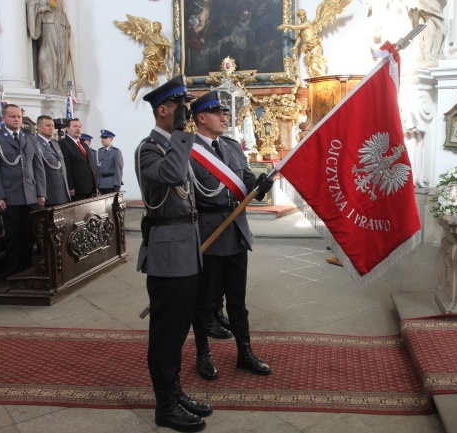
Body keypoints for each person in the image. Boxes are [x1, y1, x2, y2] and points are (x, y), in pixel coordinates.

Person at [136, 75, 210, 432]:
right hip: (167, 253)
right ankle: (164, 406)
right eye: (180, 107)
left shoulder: (178, 143)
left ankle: (174, 390)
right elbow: (172, 173)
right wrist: (182, 133)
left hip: (187, 248)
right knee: (166, 333)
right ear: (163, 110)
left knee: (180, 329)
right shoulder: (148, 148)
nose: (185, 113)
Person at [188, 90, 274, 381]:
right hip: (208, 233)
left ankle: (244, 353)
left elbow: (246, 178)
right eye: (217, 113)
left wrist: (259, 184)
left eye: (223, 113)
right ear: (201, 118)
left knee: (237, 300)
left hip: (236, 231)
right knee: (202, 302)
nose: (224, 118)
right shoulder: (187, 150)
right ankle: (203, 353)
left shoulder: (233, 146)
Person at [0, 105, 46, 276]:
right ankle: (13, 271)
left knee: (28, 234)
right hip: (10, 196)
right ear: (3, 119)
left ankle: (27, 268)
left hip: (30, 195)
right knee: (12, 236)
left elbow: (38, 167)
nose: (17, 119)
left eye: (18, 116)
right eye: (12, 117)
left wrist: (41, 193)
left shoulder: (29, 137)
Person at [27, 0, 71, 93]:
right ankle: (47, 85)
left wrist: (67, 26)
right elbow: (32, 6)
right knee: (47, 56)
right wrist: (42, 8)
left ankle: (58, 85)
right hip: (48, 25)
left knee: (61, 58)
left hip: (61, 28)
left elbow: (62, 12)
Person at [278, 9, 327, 77]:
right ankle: (321, 79)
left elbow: (297, 27)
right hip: (308, 48)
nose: (301, 17)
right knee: (312, 68)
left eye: (302, 15)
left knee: (314, 67)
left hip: (315, 45)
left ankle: (326, 78)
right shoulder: (302, 25)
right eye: (299, 16)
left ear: (305, 15)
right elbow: (299, 37)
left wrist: (285, 25)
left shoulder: (307, 23)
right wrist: (295, 46)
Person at [35, 115, 70, 206]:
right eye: (48, 126)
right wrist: (41, 193)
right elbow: (36, 171)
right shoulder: (34, 143)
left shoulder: (55, 143)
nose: (51, 128)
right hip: (49, 194)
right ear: (38, 127)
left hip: (62, 192)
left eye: (52, 126)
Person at [59, 119, 97, 201]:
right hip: (76, 188)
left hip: (89, 187)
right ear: (67, 128)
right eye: (74, 126)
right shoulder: (63, 144)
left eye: (79, 127)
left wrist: (95, 186)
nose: (78, 129)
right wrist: (70, 186)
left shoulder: (84, 145)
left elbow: (90, 165)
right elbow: (66, 167)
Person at [96, 130, 124, 194]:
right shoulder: (100, 151)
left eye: (105, 138)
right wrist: (97, 183)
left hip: (111, 184)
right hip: (101, 183)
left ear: (111, 139)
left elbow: (118, 169)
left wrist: (117, 184)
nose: (103, 139)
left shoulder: (116, 152)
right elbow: (97, 169)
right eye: (102, 138)